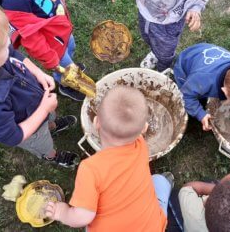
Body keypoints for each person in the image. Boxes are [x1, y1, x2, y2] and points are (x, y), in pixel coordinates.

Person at [45, 86, 174, 231]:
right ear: (144, 129)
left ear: (96, 123)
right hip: (152, 227)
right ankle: (165, 184)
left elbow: (83, 217)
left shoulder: (91, 169)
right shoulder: (141, 145)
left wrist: (61, 212)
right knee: (159, 181)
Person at [0, 0, 78, 168]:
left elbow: (14, 55)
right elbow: (15, 136)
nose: (10, 44)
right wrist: (44, 109)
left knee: (49, 118)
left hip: (38, 100)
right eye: (4, 45)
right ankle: (52, 156)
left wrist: (37, 72)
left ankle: (52, 126)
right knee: (44, 144)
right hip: (30, 130)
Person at [0, 0, 86, 101]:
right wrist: (51, 61)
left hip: (61, 30)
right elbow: (31, 38)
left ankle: (68, 64)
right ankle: (65, 84)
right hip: (52, 45)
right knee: (63, 64)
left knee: (70, 47)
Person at [97, 0, 214, 72]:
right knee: (147, 35)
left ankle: (164, 67)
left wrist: (196, 6)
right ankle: (155, 52)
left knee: (165, 50)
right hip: (145, 7)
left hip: (170, 18)